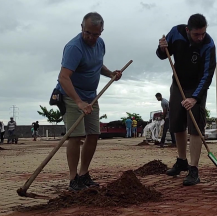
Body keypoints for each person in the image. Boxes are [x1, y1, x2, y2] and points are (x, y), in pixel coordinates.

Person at [54, 12, 123, 191]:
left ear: (101, 31)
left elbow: (97, 64)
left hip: (91, 97)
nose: (91, 38)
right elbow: (63, 78)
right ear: (82, 28)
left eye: (96, 34)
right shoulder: (74, 48)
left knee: (93, 134)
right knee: (76, 136)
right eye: (88, 33)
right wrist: (78, 102)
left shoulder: (100, 44)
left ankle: (84, 174)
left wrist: (111, 74)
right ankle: (73, 178)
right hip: (71, 96)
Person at [156, 13, 216, 186]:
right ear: (188, 30)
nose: (200, 37)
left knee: (195, 127)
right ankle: (181, 160)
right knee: (176, 124)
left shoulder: (208, 44)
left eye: (203, 33)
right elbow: (162, 54)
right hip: (178, 84)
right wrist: (161, 47)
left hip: (197, 87)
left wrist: (195, 98)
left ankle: (193, 168)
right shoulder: (176, 32)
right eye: (197, 34)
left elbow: (207, 74)